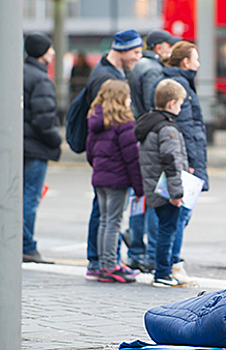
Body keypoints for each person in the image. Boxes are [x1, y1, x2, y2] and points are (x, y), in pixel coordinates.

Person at [84, 29, 144, 280]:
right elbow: (132, 159)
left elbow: (90, 152)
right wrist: (139, 186)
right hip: (118, 180)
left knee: (105, 220)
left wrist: (98, 168)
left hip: (100, 179)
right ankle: (110, 265)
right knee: (113, 222)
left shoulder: (96, 121)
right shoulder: (125, 124)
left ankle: (101, 263)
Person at [124, 29, 181, 272]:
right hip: (152, 135)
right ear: (159, 48)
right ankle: (146, 254)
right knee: (153, 198)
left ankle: (136, 250)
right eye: (169, 46)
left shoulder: (138, 66)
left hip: (140, 132)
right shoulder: (154, 70)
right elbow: (154, 103)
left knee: (139, 196)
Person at [154, 41, 209, 284]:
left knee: (179, 216)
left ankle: (171, 264)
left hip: (189, 158)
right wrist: (191, 163)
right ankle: (173, 265)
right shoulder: (180, 85)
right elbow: (186, 128)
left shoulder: (182, 82)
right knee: (180, 216)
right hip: (188, 161)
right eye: (195, 59)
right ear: (186, 62)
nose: (198, 64)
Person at [135, 78, 189, 287]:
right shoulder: (168, 129)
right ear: (171, 104)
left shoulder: (149, 124)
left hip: (153, 186)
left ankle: (162, 271)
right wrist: (176, 193)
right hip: (167, 190)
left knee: (162, 229)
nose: (181, 107)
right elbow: (171, 160)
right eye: (180, 103)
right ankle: (162, 274)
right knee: (167, 231)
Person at [22, 32, 62, 264]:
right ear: (42, 52)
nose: (53, 52)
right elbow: (44, 119)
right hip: (35, 147)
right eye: (50, 48)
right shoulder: (40, 79)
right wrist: (55, 140)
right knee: (30, 197)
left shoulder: (20, 72)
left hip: (22, 144)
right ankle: (27, 246)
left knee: (19, 196)